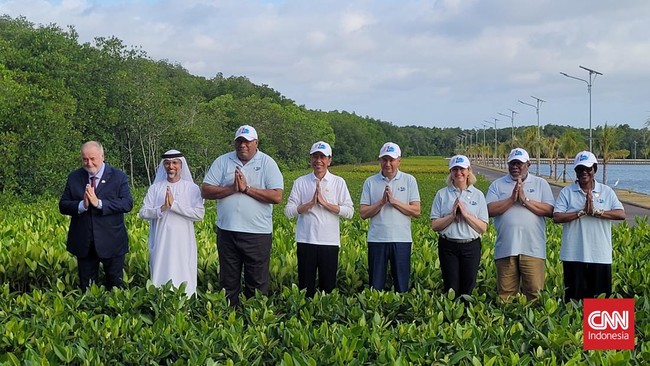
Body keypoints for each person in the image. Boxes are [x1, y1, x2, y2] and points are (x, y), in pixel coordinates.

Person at [201, 125, 284, 306]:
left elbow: (277, 196)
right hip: (227, 231)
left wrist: (247, 189)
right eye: (239, 141)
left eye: (247, 142)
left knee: (257, 282)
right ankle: (229, 322)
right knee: (228, 281)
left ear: (256, 143)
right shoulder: (223, 161)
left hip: (257, 233)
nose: (242, 146)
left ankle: (254, 323)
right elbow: (205, 190)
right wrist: (231, 189)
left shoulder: (267, 163)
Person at [59, 141, 133, 290]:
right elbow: (63, 205)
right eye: (85, 159)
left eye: (93, 158)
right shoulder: (74, 177)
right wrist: (82, 205)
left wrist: (99, 203)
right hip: (84, 243)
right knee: (87, 288)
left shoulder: (118, 177)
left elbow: (127, 204)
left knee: (116, 286)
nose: (89, 163)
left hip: (112, 242)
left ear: (102, 156)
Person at [553, 151, 625, 302]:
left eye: (588, 168)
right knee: (574, 302)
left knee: (600, 304)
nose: (584, 172)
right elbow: (557, 216)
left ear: (595, 169)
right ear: (576, 171)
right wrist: (581, 212)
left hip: (600, 255)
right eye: (580, 169)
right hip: (573, 255)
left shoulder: (607, 191)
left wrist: (596, 212)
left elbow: (620, 214)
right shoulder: (567, 192)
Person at [284, 141, 354, 297]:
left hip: (329, 242)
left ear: (329, 160)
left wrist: (326, 204)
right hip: (306, 241)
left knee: (328, 288)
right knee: (305, 289)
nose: (318, 161)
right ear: (310, 159)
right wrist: (308, 204)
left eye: (323, 157)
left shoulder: (338, 182)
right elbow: (288, 211)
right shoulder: (300, 182)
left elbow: (349, 212)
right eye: (315, 156)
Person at [486, 148, 555, 301]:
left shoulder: (540, 183)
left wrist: (525, 201)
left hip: (533, 249)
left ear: (528, 165)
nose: (515, 166)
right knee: (505, 296)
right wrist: (511, 199)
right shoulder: (497, 185)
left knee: (535, 294)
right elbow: (489, 210)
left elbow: (550, 210)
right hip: (506, 249)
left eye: (519, 163)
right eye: (512, 163)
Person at [138, 150, 205, 296]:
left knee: (184, 273)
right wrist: (162, 208)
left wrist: (174, 205)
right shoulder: (155, 188)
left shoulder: (191, 188)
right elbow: (143, 212)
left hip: (183, 244)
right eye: (167, 163)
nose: (171, 166)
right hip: (161, 242)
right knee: (160, 274)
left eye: (175, 163)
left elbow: (199, 214)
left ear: (181, 165)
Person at [360, 142, 420, 292]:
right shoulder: (370, 182)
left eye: (391, 160)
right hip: (377, 240)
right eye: (384, 159)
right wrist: (381, 203)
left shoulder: (409, 180)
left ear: (399, 161)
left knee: (401, 285)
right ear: (380, 160)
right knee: (376, 286)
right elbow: (363, 213)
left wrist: (394, 202)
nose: (388, 164)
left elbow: (416, 211)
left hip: (401, 240)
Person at [430, 155, 488, 297]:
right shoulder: (442, 194)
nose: (458, 173)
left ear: (469, 170)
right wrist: (452, 216)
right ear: (450, 172)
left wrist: (466, 216)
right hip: (448, 246)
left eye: (462, 169)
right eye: (454, 169)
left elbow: (483, 227)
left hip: (471, 246)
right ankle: (452, 317)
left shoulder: (478, 195)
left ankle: (466, 318)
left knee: (468, 287)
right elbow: (435, 225)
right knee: (451, 287)